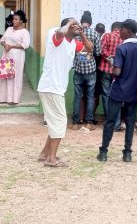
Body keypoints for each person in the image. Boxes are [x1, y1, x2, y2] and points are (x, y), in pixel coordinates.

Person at [37, 18, 93, 167]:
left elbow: (89, 49)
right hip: (51, 87)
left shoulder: (73, 43)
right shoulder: (55, 34)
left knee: (56, 123)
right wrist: (69, 24)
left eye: (78, 25)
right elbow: (61, 32)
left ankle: (45, 154)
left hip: (56, 88)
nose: (77, 26)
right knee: (60, 122)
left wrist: (82, 34)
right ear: (65, 26)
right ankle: (51, 159)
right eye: (73, 24)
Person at [97, 19, 137, 162]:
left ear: (128, 31)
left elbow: (117, 72)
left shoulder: (121, 48)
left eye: (122, 29)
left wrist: (113, 66)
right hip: (132, 91)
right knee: (130, 122)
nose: (120, 32)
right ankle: (127, 153)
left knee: (110, 121)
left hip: (118, 90)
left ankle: (103, 152)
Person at [72, 11, 101, 131]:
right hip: (91, 70)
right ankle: (89, 122)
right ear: (90, 22)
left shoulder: (75, 33)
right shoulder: (94, 34)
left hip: (78, 68)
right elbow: (98, 52)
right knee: (90, 96)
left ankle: (75, 123)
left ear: (81, 21)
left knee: (78, 96)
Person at [0, 10, 30, 104]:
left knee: (15, 77)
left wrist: (12, 46)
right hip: (6, 56)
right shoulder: (9, 29)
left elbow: (26, 44)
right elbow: (2, 39)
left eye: (16, 19)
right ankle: (4, 98)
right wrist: (5, 45)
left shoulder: (24, 32)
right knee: (5, 76)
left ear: (21, 21)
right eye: (13, 19)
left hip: (17, 58)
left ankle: (14, 99)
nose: (14, 21)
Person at [99, 21, 123, 131]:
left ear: (112, 28)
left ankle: (109, 121)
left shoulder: (107, 36)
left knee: (106, 95)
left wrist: (110, 59)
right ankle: (116, 124)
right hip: (118, 72)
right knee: (116, 97)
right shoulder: (124, 39)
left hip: (105, 69)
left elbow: (102, 50)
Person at [94, 23, 106, 120]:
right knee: (96, 96)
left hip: (90, 71)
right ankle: (91, 116)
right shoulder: (101, 43)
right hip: (99, 73)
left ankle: (87, 117)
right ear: (104, 31)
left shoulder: (91, 39)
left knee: (88, 95)